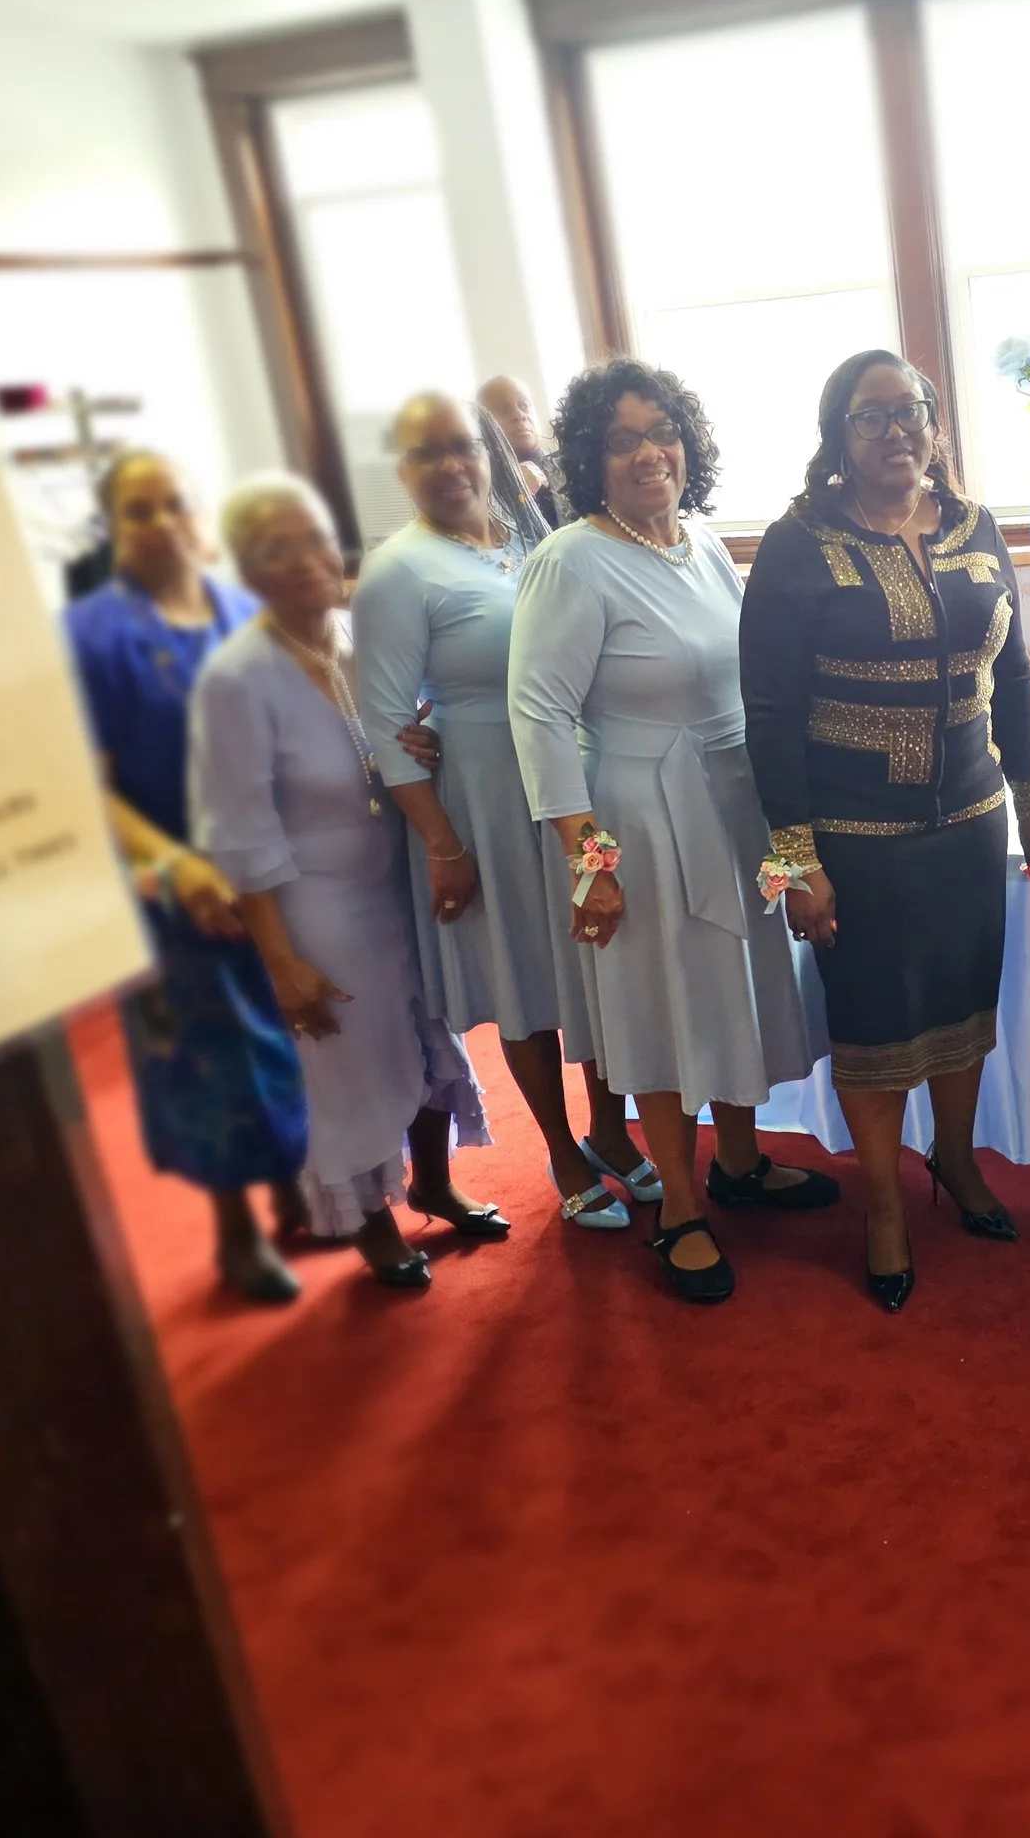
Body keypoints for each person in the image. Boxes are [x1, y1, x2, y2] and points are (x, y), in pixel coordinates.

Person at [741, 350, 1030, 1313]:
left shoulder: (974, 525)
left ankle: (954, 1163)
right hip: (853, 839)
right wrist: (794, 861)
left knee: (963, 1014)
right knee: (876, 1028)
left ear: (934, 422)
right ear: (838, 434)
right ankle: (882, 1206)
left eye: (910, 411)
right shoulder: (798, 544)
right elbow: (766, 712)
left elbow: (1013, 675)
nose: (895, 432)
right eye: (871, 417)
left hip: (970, 823)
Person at [512, 360, 833, 1304]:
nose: (650, 453)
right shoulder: (571, 558)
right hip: (642, 815)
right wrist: (588, 865)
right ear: (588, 458)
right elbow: (538, 715)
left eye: (663, 432)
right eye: (622, 439)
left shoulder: (699, 543)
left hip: (731, 798)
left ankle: (740, 1162)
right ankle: (682, 1207)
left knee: (731, 985)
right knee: (661, 1000)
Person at [192, 477, 503, 1289]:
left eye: (313, 539)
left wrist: (426, 741)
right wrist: (281, 962)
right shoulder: (236, 678)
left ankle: (433, 1182)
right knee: (349, 1069)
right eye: (275, 549)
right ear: (245, 570)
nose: (303, 561)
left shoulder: (354, 634)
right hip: (315, 903)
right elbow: (239, 832)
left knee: (429, 1036)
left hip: (395, 878)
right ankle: (371, 1220)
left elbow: (401, 736)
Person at [351, 391, 647, 1232]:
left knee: (594, 961)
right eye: (427, 453)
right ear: (402, 472)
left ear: (488, 456)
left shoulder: (531, 545)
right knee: (523, 976)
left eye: (462, 448)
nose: (450, 466)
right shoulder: (398, 571)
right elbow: (384, 721)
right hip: (480, 798)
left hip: (569, 779)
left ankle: (612, 1133)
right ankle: (559, 1149)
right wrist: (442, 845)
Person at [67, 451, 310, 1304]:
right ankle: (234, 1229)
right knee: (207, 1057)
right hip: (172, 883)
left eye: (176, 503)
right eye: (141, 510)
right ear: (114, 527)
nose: (163, 523)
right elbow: (87, 786)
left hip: (263, 866)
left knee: (281, 1034)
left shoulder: (241, 609)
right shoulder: (89, 634)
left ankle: (291, 1186)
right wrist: (176, 865)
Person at [479, 374, 563, 530]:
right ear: (482, 427)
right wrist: (520, 493)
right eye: (504, 411)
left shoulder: (567, 468)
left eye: (524, 405)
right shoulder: (480, 487)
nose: (519, 415)